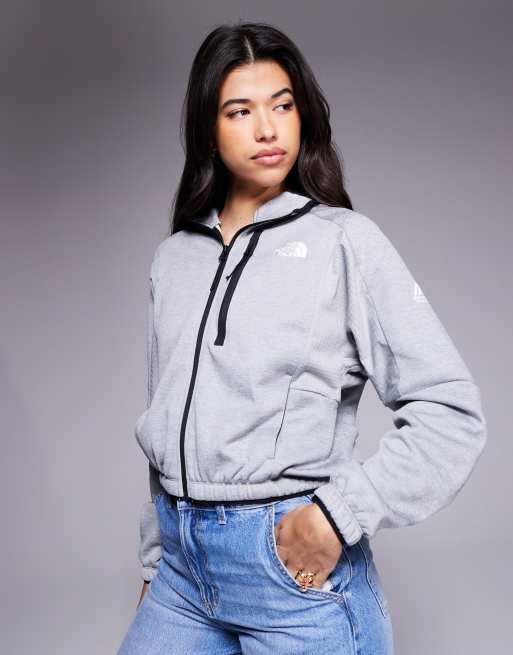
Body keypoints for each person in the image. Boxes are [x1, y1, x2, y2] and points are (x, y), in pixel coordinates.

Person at [116, 21, 487, 655]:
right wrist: (156, 561)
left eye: (282, 106)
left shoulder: (344, 241)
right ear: (209, 128)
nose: (268, 129)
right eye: (240, 111)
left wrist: (338, 517)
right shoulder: (173, 258)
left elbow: (451, 413)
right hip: (183, 571)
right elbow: (164, 418)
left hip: (291, 571)